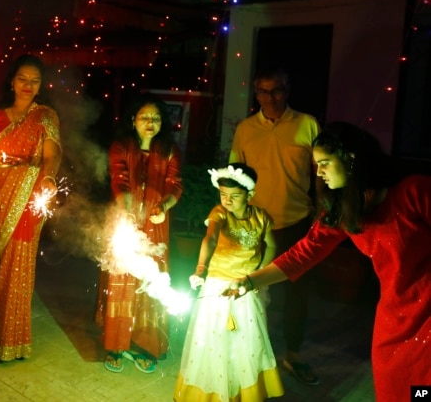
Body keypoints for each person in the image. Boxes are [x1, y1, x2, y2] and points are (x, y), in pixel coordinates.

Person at [223, 121, 431, 401]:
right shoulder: (344, 208)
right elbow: (304, 253)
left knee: (422, 392)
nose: (318, 173)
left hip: (427, 316)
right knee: (395, 389)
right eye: (316, 164)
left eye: (324, 163)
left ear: (350, 159)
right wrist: (249, 281)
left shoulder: (414, 192)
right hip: (394, 319)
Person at [0, 54, 61, 362]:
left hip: (25, 201)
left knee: (17, 268)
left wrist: (48, 176)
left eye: (35, 81)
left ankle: (13, 340)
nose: (28, 86)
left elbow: (52, 153)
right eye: (23, 79)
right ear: (11, 80)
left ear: (41, 85)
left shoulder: (45, 116)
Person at [228, 67, 320, 385]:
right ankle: (253, 358)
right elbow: (233, 175)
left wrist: (321, 213)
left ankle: (293, 356)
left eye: (277, 90)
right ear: (256, 95)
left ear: (288, 90)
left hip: (296, 223)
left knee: (297, 295)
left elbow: (319, 173)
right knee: (254, 292)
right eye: (264, 91)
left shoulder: (307, 125)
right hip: (256, 227)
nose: (271, 97)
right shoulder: (245, 129)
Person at [174, 163, 284, 401]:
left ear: (250, 195)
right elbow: (210, 238)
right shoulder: (219, 213)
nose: (228, 201)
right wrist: (201, 269)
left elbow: (272, 245)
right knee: (214, 339)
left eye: (235, 196)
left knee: (247, 339)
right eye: (223, 195)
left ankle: (243, 391)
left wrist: (259, 274)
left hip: (247, 287)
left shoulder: (261, 216)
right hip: (217, 285)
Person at [95, 94, 183, 373]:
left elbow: (175, 185)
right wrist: (129, 213)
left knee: (150, 283)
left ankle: (144, 345)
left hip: (156, 224)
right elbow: (118, 180)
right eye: (145, 117)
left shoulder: (169, 149)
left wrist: (164, 208)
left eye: (156, 118)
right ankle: (116, 345)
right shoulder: (121, 146)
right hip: (125, 219)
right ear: (133, 120)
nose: (150, 122)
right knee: (122, 281)